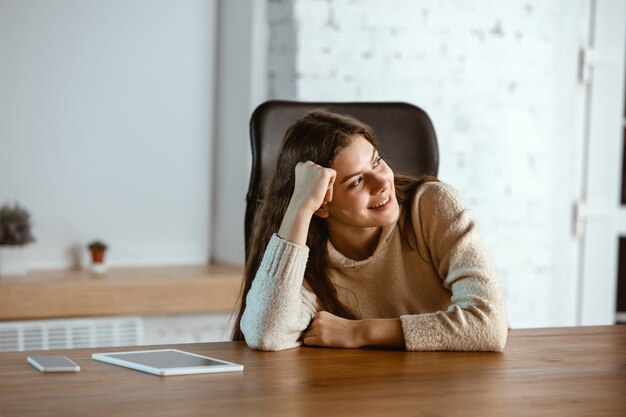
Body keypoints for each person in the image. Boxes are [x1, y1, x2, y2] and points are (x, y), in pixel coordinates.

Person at [233, 109, 508, 351]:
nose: (381, 183)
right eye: (355, 182)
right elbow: (266, 334)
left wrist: (361, 332)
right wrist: (299, 208)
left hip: (446, 388)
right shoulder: (306, 258)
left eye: (376, 162)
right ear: (321, 207)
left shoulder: (433, 205)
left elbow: (489, 325)